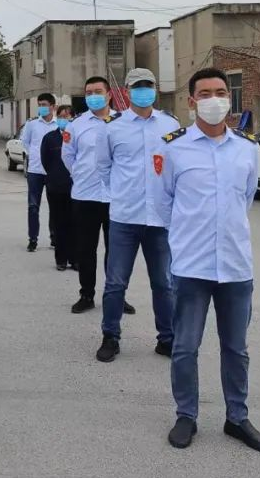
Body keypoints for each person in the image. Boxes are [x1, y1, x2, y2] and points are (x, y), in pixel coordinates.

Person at [158, 68, 260, 453]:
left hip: (236, 267)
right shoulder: (173, 148)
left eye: (221, 92)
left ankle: (237, 417)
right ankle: (186, 416)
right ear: (192, 101)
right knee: (185, 348)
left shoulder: (246, 148)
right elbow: (164, 202)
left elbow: (246, 199)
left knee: (236, 349)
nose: (214, 99)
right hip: (190, 267)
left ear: (230, 99)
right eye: (205, 93)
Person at [94, 68, 180, 363]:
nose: (144, 90)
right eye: (138, 86)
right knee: (116, 283)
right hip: (125, 218)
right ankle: (110, 336)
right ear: (127, 92)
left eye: (148, 85)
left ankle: (167, 338)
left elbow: (175, 165)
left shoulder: (170, 124)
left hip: (160, 219)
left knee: (164, 283)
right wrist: (123, 193)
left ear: (156, 88)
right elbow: (103, 167)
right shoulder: (112, 127)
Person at [61, 76, 135, 316]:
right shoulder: (76, 125)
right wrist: (82, 175)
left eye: (98, 91)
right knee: (86, 249)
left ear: (109, 94)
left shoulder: (123, 122)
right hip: (86, 196)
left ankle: (117, 295)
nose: (93, 96)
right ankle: (86, 295)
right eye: (89, 92)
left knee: (117, 251)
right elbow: (68, 156)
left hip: (116, 196)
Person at [20, 92, 59, 252]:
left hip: (53, 172)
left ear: (53, 106)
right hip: (35, 171)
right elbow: (25, 142)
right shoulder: (32, 124)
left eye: (44, 105)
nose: (41, 108)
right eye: (40, 105)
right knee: (33, 206)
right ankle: (33, 239)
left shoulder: (58, 124)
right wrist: (36, 155)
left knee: (55, 206)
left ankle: (54, 238)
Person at [40, 105, 76, 271]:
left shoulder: (78, 136)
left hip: (76, 187)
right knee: (59, 224)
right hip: (56, 187)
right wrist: (55, 175)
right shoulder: (50, 138)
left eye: (67, 116)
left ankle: (75, 259)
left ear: (73, 117)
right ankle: (61, 259)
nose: (64, 119)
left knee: (75, 224)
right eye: (61, 116)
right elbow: (45, 161)